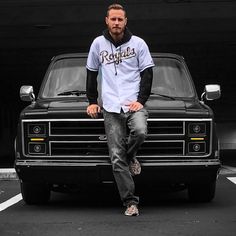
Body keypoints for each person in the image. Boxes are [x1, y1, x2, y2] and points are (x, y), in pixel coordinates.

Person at [86, 3, 154, 216]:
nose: (116, 23)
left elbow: (148, 73)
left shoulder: (138, 43)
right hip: (111, 106)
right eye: (112, 19)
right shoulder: (98, 44)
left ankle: (131, 155)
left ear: (125, 21)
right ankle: (130, 202)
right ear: (107, 20)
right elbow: (91, 73)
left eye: (120, 19)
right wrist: (92, 101)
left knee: (141, 132)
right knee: (115, 157)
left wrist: (141, 100)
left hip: (133, 103)